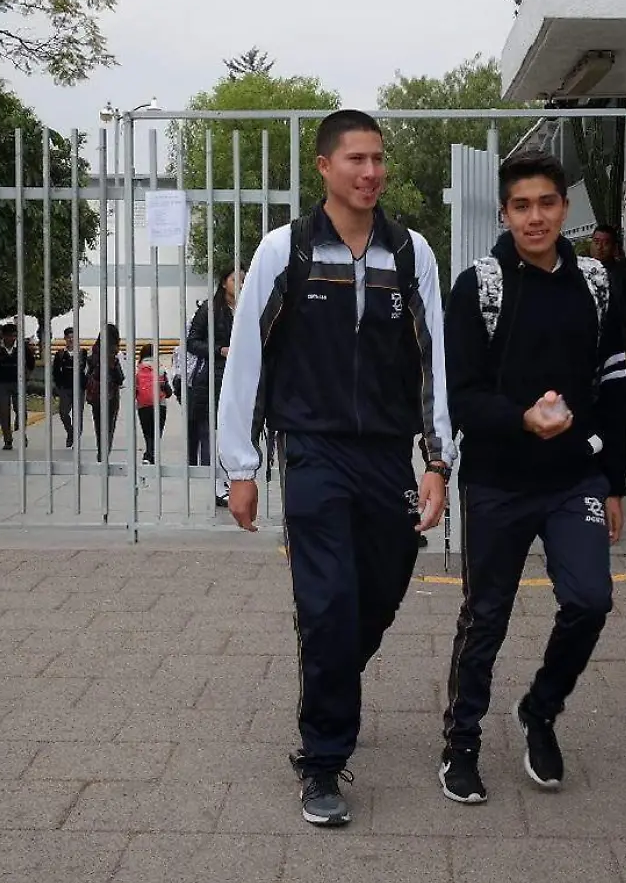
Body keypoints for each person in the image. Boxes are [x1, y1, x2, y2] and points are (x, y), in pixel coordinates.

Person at [218, 109, 453, 827]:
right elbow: (247, 362)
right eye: (356, 159)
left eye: (378, 158)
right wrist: (241, 466)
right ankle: (322, 760)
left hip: (386, 457)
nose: (371, 172)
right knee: (326, 607)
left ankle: (330, 678)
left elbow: (434, 364)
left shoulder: (411, 255)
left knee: (376, 595)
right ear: (324, 166)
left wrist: (439, 460)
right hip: (312, 452)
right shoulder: (284, 251)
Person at [438, 150, 626, 805]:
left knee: (591, 600)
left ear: (565, 209)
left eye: (546, 203)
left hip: (573, 479)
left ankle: (540, 710)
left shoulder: (598, 284)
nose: (535, 216)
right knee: (485, 617)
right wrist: (521, 417)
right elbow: (460, 396)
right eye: (522, 206)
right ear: (505, 212)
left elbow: (612, 389)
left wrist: (614, 479)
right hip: (496, 481)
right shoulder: (480, 286)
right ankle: (461, 744)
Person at [187, 266, 241, 507]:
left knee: (235, 432)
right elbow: (192, 342)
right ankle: (219, 485)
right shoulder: (210, 309)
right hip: (214, 377)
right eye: (234, 279)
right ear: (223, 283)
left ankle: (234, 479)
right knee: (213, 433)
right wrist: (220, 351)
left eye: (243, 278)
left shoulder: (249, 305)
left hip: (241, 377)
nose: (239, 282)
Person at [588, 224, 626, 375]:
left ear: (614, 247)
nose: (600, 247)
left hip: (615, 352)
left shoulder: (625, 278)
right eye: (596, 242)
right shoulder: (579, 273)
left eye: (605, 243)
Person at [85, 323, 124, 462]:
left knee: (98, 423)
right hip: (111, 394)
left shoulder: (93, 352)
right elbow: (120, 379)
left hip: (96, 394)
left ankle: (100, 449)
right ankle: (105, 452)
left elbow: (86, 375)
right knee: (109, 424)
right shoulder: (115, 353)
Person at [0, 322, 34, 451]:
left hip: (19, 383)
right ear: (3, 336)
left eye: (14, 335)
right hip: (2, 384)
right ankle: (7, 439)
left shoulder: (23, 347)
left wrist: (26, 376)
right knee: (4, 412)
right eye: (9, 336)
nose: (12, 338)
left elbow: (31, 362)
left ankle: (22, 434)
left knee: (21, 410)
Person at [134, 342, 171, 465]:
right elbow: (168, 390)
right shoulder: (160, 368)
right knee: (157, 432)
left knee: (147, 432)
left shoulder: (138, 368)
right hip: (160, 404)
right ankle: (151, 454)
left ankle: (149, 455)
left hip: (143, 405)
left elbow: (134, 389)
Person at [51, 327, 79, 448]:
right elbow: (55, 371)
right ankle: (70, 432)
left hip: (78, 388)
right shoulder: (60, 354)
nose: (71, 339)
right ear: (65, 339)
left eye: (73, 337)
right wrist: (58, 386)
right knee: (63, 413)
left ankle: (76, 437)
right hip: (65, 388)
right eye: (69, 337)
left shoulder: (82, 353)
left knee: (78, 415)